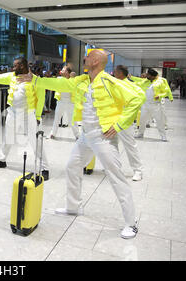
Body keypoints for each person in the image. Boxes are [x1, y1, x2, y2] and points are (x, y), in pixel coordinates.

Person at [19, 50, 145, 238]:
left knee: (116, 177)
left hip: (103, 137)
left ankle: (131, 223)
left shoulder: (109, 82)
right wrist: (35, 80)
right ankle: (73, 206)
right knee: (72, 166)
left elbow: (138, 97)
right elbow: (62, 83)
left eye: (87, 57)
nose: (84, 59)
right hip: (86, 136)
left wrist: (120, 124)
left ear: (94, 61)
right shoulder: (83, 80)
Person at [0, 56, 50, 181]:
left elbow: (40, 98)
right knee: (8, 137)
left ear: (22, 66)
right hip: (12, 112)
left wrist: (38, 116)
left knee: (35, 141)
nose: (13, 68)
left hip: (28, 114)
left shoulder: (35, 80)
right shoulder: (12, 76)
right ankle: (2, 160)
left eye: (15, 66)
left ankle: (44, 168)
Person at [113, 65, 146, 181]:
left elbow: (140, 98)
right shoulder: (113, 83)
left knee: (130, 145)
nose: (114, 73)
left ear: (121, 73)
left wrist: (127, 116)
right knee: (112, 144)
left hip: (124, 121)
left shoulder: (132, 86)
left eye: (115, 71)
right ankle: (114, 167)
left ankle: (138, 170)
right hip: (111, 119)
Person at [130, 69, 170, 142]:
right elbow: (138, 80)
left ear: (152, 76)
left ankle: (163, 136)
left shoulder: (160, 82)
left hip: (155, 105)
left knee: (159, 121)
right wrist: (131, 77)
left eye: (148, 75)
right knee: (142, 120)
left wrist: (160, 96)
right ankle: (140, 133)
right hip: (145, 105)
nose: (146, 76)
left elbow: (166, 92)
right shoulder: (145, 81)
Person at [49, 64, 79, 140]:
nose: (61, 71)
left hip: (70, 102)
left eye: (63, 70)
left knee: (72, 120)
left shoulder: (72, 80)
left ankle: (77, 135)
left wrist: (72, 77)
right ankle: (53, 133)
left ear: (68, 72)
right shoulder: (59, 79)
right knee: (57, 118)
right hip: (61, 101)